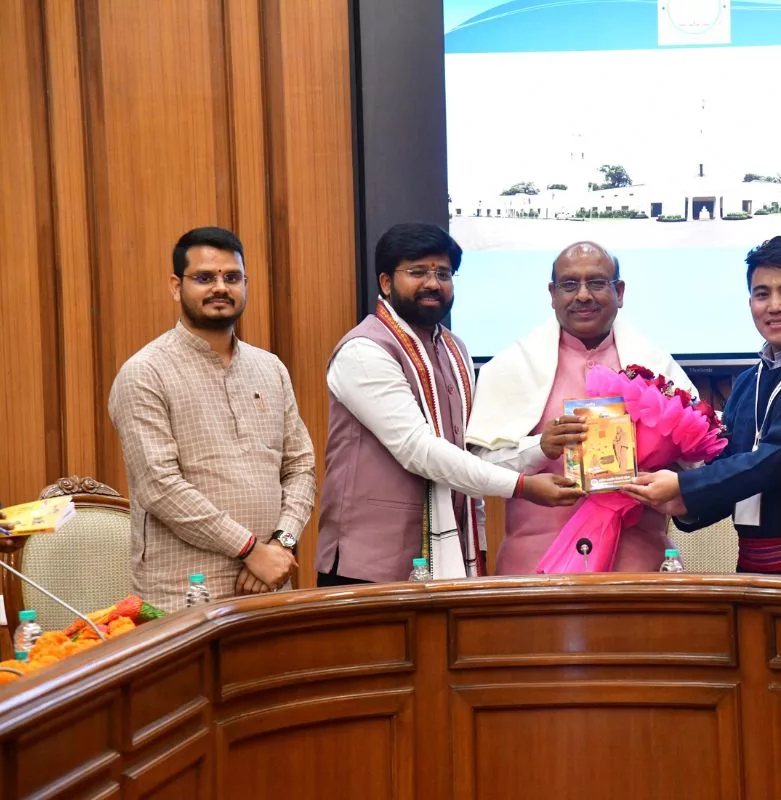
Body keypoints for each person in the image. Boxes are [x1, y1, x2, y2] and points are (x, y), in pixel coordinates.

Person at [315, 223, 583, 585]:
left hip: (447, 555)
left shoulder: (454, 349)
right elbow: (420, 450)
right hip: (370, 565)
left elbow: (468, 452)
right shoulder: (364, 351)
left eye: (443, 273)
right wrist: (522, 487)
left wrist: (541, 447)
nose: (433, 283)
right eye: (417, 272)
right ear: (385, 282)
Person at [624, 236, 781, 577]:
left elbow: (777, 458)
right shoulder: (748, 382)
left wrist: (685, 487)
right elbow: (733, 464)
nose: (774, 305)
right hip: (753, 570)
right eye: (762, 294)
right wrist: (683, 505)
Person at [109, 227, 316, 611]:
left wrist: (280, 543)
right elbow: (159, 486)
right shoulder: (145, 372)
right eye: (204, 278)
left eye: (231, 277)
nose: (220, 287)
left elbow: (301, 465)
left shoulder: (269, 368)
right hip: (181, 594)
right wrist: (249, 548)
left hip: (268, 584)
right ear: (176, 286)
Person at [466, 242, 695, 573]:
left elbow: (698, 460)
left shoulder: (658, 367)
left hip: (637, 565)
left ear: (619, 291)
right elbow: (478, 469)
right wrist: (540, 447)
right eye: (570, 284)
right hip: (536, 566)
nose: (583, 295)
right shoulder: (510, 367)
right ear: (553, 294)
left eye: (597, 283)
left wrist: (662, 475)